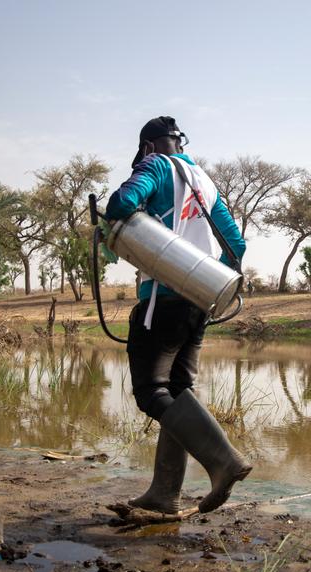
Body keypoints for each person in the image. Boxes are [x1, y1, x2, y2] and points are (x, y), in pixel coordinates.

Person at [105, 116, 250, 515]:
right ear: (178, 142)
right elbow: (235, 244)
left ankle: (223, 461)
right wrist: (206, 278)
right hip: (202, 297)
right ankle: (164, 493)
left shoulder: (152, 167)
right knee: (179, 391)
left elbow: (120, 204)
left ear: (149, 147)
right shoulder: (203, 179)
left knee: (151, 391)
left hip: (162, 298)